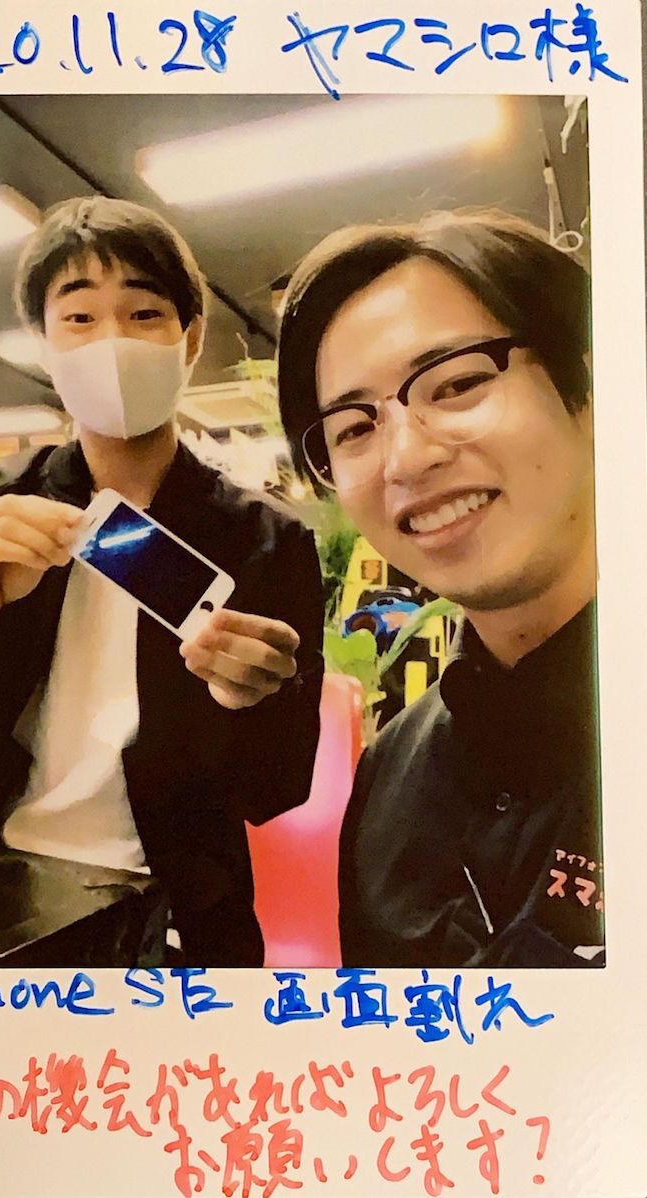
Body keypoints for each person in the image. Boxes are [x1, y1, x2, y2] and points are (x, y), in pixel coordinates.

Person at [0, 195, 324, 967]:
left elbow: (278, 790)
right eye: (79, 318)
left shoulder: (265, 540)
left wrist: (255, 699)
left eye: (144, 313)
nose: (111, 341)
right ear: (44, 345)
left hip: (181, 916)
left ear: (192, 337)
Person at [277, 208, 604, 968]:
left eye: (456, 384)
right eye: (353, 428)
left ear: (592, 388)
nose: (406, 458)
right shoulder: (388, 777)